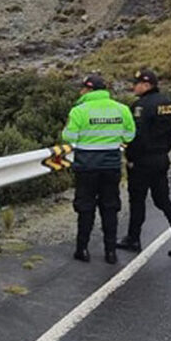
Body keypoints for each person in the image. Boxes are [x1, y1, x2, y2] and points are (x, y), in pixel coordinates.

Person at [118, 70, 171, 258]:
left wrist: (132, 158)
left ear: (146, 85)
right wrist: (163, 151)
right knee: (163, 200)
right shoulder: (168, 104)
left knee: (137, 200)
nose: (133, 87)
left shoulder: (141, 106)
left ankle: (133, 238)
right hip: (161, 159)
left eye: (136, 83)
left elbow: (137, 137)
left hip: (143, 160)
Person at [62, 74, 136, 264]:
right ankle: (110, 252)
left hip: (86, 166)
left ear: (88, 89)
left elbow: (69, 137)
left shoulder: (79, 111)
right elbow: (129, 135)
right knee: (110, 207)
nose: (80, 91)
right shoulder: (122, 109)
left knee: (85, 207)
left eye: (82, 88)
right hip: (111, 165)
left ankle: (82, 249)